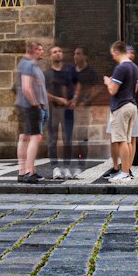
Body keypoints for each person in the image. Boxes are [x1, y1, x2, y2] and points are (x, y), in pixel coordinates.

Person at [103, 40, 138, 185]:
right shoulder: (134, 67)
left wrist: (108, 82)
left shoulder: (121, 68)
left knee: (121, 140)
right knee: (129, 139)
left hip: (121, 106)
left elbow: (113, 90)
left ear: (117, 52)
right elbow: (134, 89)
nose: (113, 57)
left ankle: (124, 173)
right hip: (132, 105)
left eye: (113, 54)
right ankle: (127, 171)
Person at [14, 41, 48, 184]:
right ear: (33, 50)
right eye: (39, 49)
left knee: (25, 137)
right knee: (35, 137)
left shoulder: (27, 65)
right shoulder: (28, 65)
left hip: (25, 106)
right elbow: (26, 88)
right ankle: (29, 171)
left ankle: (23, 171)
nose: (42, 52)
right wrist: (36, 105)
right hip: (30, 107)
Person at [45, 45, 80, 179]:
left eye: (60, 51)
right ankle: (55, 168)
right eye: (55, 52)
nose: (58, 54)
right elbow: (43, 92)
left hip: (68, 110)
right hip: (53, 110)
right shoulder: (47, 74)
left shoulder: (70, 70)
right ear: (50, 56)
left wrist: (75, 98)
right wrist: (57, 99)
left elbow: (78, 84)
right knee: (53, 140)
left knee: (68, 139)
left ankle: (66, 167)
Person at [72, 47, 102, 174]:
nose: (75, 56)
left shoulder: (90, 72)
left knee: (82, 136)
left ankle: (81, 162)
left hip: (83, 109)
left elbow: (98, 88)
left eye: (78, 54)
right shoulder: (71, 71)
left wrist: (86, 101)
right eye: (74, 54)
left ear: (85, 57)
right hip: (69, 108)